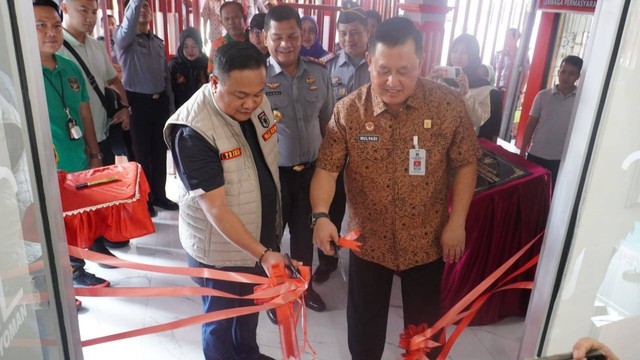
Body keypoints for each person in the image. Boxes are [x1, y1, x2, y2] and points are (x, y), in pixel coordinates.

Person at [310, 17, 479, 359]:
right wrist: (320, 216)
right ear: (370, 60)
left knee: (426, 332)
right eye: (384, 69)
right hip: (367, 242)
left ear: (421, 62)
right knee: (363, 331)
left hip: (427, 240)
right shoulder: (348, 112)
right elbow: (327, 171)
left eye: (405, 71)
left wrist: (457, 222)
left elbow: (465, 163)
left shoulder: (447, 105)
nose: (392, 82)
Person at [164, 41, 280, 360]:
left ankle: (248, 353)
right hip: (218, 248)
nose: (252, 103)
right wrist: (265, 253)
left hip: (259, 235)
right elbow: (216, 208)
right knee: (219, 319)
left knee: (250, 307)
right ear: (214, 82)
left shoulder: (258, 101)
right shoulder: (193, 131)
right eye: (241, 96)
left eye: (258, 93)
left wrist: (265, 245)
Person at [263, 4, 335, 314]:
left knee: (305, 236)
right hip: (273, 174)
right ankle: (275, 291)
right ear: (266, 38)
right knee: (272, 236)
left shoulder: (319, 73)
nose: (286, 43)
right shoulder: (256, 76)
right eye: (277, 37)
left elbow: (327, 123)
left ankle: (303, 289)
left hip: (311, 172)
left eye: (292, 36)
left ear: (301, 36)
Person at [33, 0, 110, 288]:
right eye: (41, 26)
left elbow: (85, 113)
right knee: (49, 228)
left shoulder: (68, 67)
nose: (51, 33)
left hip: (76, 162)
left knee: (74, 222)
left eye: (54, 25)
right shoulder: (19, 74)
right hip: (44, 169)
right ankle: (57, 285)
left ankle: (75, 271)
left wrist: (94, 154)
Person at [313, 1, 370, 283]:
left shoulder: (379, 66)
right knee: (332, 206)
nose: (350, 38)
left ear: (368, 32)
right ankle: (328, 258)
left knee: (369, 206)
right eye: (344, 33)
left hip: (372, 151)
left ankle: (371, 257)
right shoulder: (328, 67)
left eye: (356, 32)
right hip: (335, 149)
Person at [115, 0, 177, 217]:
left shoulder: (158, 42)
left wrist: (170, 108)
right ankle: (145, 199)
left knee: (159, 152)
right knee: (141, 155)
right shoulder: (125, 39)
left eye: (146, 6)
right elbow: (128, 24)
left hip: (158, 103)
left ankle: (160, 195)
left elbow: (165, 77)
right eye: (139, 6)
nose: (144, 9)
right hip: (137, 104)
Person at [519, 55, 583, 190]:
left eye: (571, 74)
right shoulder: (543, 96)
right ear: (558, 71)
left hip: (561, 159)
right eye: (563, 72)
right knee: (529, 190)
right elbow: (531, 124)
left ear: (578, 76)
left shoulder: (581, 101)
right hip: (536, 153)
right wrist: (523, 148)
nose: (566, 77)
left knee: (551, 193)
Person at [429, 34, 503, 141]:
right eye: (454, 51)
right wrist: (429, 82)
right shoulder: (441, 80)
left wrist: (466, 93)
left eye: (464, 52)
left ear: (473, 55)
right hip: (435, 139)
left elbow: (477, 121)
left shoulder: (485, 90)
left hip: (462, 145)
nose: (457, 56)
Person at [168, 27, 209, 109]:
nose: (190, 50)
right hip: (180, 112)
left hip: (203, 110)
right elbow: (169, 93)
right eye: (186, 47)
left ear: (199, 45)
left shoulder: (206, 63)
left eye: (194, 46)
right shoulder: (174, 66)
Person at [207, 1, 248, 74]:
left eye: (235, 17)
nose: (231, 22)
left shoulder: (253, 40)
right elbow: (211, 73)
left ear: (244, 18)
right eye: (227, 19)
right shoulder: (217, 45)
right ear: (221, 22)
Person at [492, 28, 529, 99]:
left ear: (516, 39)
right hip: (497, 89)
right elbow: (493, 71)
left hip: (513, 91)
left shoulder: (522, 55)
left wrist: (520, 91)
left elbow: (525, 74)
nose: (506, 39)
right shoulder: (498, 54)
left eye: (508, 37)